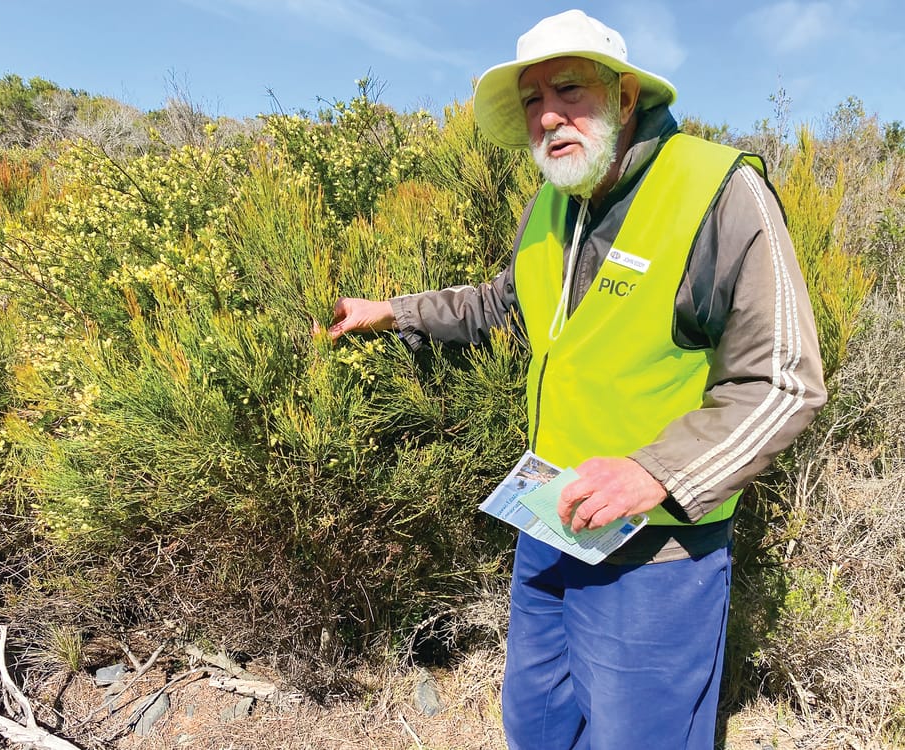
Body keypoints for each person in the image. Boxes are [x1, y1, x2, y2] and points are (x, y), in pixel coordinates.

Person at [323, 9, 827, 750]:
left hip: (655, 551)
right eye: (533, 100)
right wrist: (394, 312)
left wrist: (654, 473)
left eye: (569, 90)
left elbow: (783, 379)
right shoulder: (552, 205)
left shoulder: (717, 190)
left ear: (625, 96)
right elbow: (503, 303)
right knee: (536, 723)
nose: (549, 115)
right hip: (550, 520)